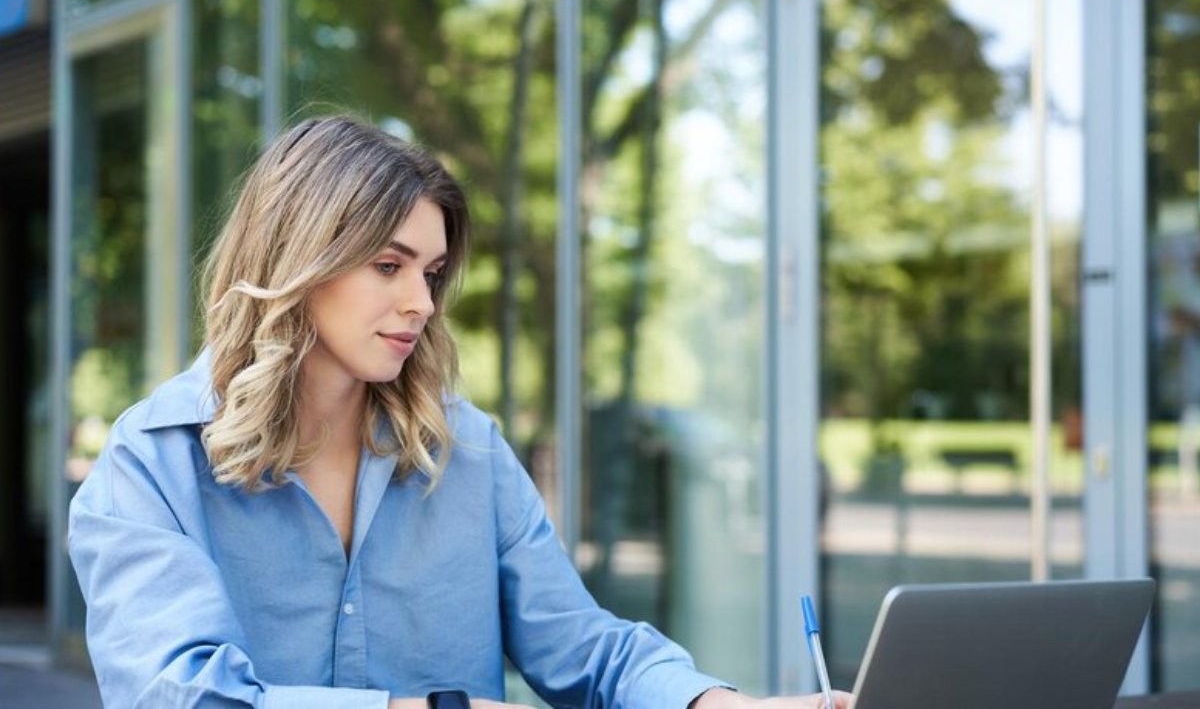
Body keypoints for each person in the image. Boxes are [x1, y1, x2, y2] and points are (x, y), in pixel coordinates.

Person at [68, 116, 853, 709]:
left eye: (432, 272)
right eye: (388, 266)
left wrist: (717, 704)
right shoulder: (152, 464)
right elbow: (180, 695)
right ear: (295, 263)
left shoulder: (465, 449)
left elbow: (583, 648)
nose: (420, 304)